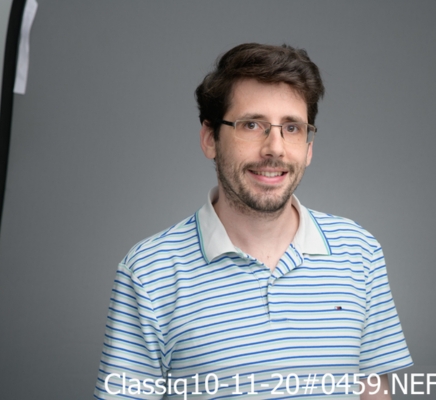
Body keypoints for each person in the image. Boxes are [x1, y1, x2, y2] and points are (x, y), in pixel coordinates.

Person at [94, 43, 413, 400]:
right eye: (251, 124)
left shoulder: (360, 253)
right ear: (210, 139)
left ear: (308, 148)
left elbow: (373, 392)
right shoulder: (149, 273)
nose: (275, 148)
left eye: (292, 128)